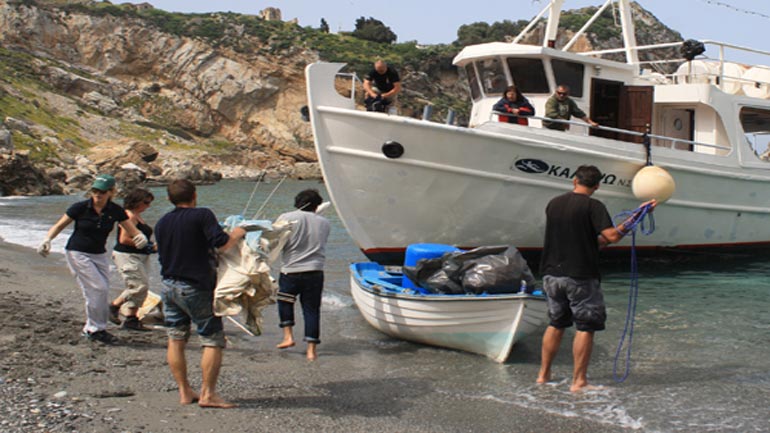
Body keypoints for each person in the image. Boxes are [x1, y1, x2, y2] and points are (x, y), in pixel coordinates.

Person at [536, 165, 656, 392]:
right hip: (580, 275)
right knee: (585, 326)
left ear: (575, 180)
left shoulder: (554, 204)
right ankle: (579, 381)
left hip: (551, 274)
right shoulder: (593, 206)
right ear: (597, 185)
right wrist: (636, 217)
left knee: (556, 323)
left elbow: (592, 241)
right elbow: (611, 236)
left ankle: (543, 375)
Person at [154, 179, 246, 408]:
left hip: (168, 285)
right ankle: (208, 394)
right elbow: (221, 244)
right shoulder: (202, 215)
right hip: (195, 287)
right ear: (194, 195)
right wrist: (237, 234)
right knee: (212, 339)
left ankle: (184, 391)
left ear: (169, 199)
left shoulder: (162, 222)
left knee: (176, 338)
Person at [37, 174, 148, 345]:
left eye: (102, 191)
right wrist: (47, 239)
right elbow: (59, 225)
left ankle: (94, 327)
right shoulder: (80, 208)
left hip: (99, 254)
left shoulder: (115, 210)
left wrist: (141, 237)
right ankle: (95, 329)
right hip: (77, 252)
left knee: (101, 290)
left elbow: (132, 230)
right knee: (98, 288)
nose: (98, 194)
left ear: (111, 192)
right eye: (95, 190)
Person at [275, 189, 331, 361]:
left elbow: (276, 239)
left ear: (297, 203)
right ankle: (311, 351)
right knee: (311, 310)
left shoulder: (286, 217)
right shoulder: (325, 222)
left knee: (285, 302)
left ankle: (288, 337)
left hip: (291, 270)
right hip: (315, 271)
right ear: (316, 205)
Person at [110, 188, 156, 331]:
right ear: (136, 201)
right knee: (139, 286)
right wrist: (148, 246)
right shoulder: (129, 216)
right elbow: (123, 239)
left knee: (138, 286)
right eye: (146, 202)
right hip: (127, 256)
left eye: (150, 203)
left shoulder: (137, 215)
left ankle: (131, 318)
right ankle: (113, 307)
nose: (148, 206)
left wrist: (151, 246)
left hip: (139, 256)